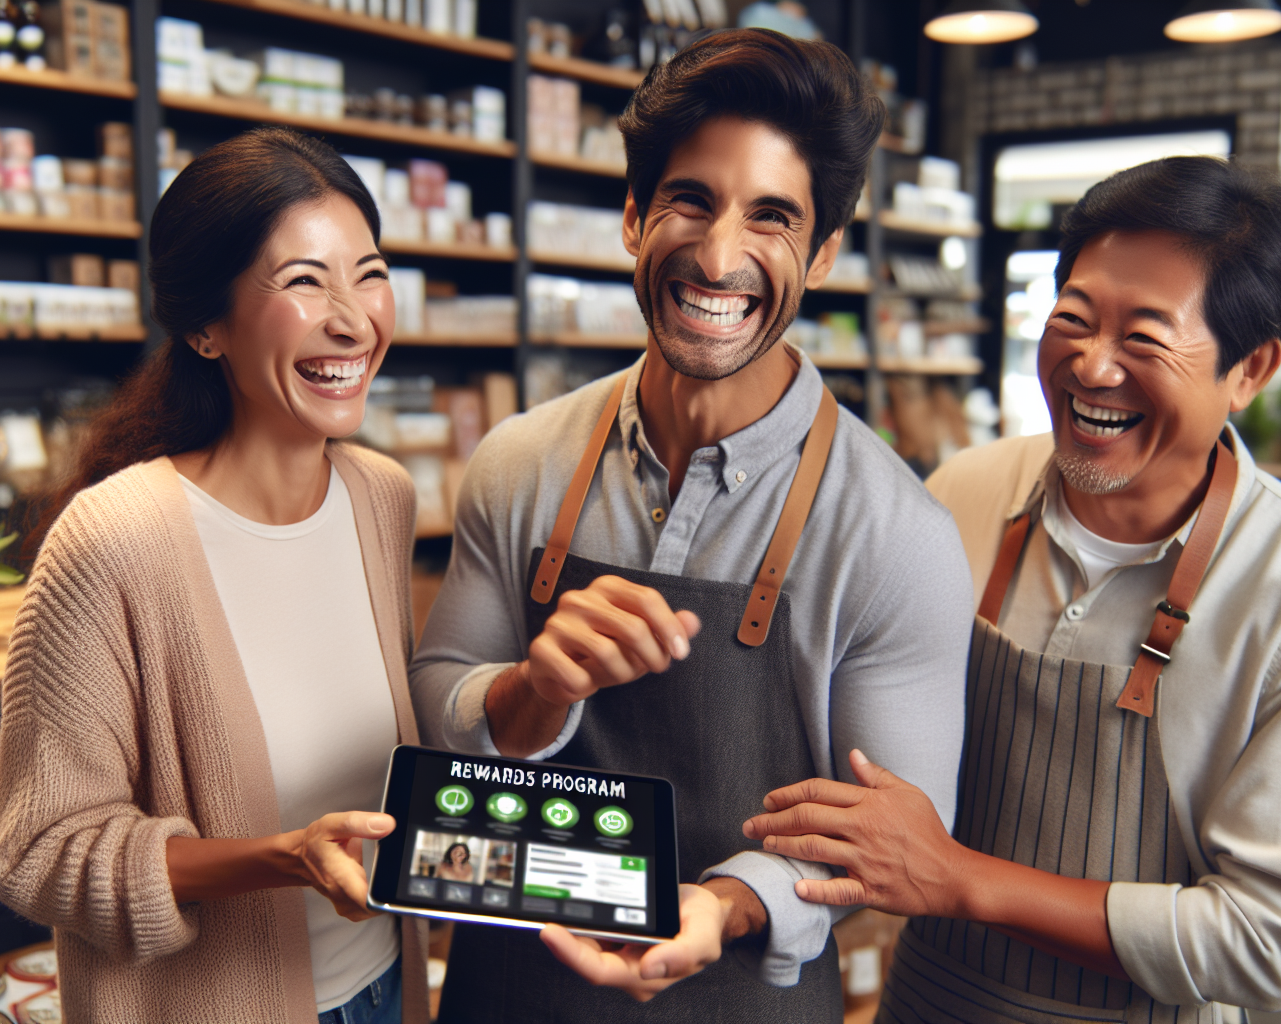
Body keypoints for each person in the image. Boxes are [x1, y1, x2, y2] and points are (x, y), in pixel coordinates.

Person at [746, 156, 1281, 1022]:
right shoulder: (962, 493)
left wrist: (960, 880)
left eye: (1145, 338)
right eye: (1074, 319)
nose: (1091, 366)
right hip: (931, 1001)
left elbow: (1266, 944)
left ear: (1250, 369)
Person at [410, 27, 974, 1023]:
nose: (719, 257)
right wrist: (534, 691)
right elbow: (435, 700)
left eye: (771, 217)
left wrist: (722, 901)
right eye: (689, 201)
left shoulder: (897, 536)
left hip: (744, 995)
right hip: (512, 990)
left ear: (824, 251)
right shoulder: (519, 461)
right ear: (632, 218)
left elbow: (891, 837)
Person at [0, 127, 427, 1024]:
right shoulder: (113, 541)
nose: (353, 317)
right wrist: (279, 857)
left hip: (387, 988)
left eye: (370, 272)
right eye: (305, 281)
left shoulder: (381, 498)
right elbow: (39, 850)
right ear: (204, 326)